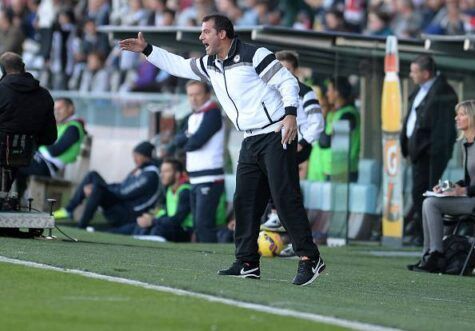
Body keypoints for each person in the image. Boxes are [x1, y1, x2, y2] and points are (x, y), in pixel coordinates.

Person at [120, 13, 324, 286]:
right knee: (244, 201)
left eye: (205, 32)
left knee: (285, 198)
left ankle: (310, 259)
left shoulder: (255, 54)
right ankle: (247, 262)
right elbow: (179, 65)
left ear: (223, 34)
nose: (201, 37)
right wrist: (147, 50)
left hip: (275, 134)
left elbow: (287, 83)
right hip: (250, 140)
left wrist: (290, 114)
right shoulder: (209, 64)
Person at [408, 100, 475, 273]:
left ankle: (436, 255)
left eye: (462, 114)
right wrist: (451, 186)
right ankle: (427, 255)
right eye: (457, 114)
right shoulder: (466, 144)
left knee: (432, 204)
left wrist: (464, 191)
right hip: (470, 197)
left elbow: (470, 186)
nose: (457, 118)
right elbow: (469, 179)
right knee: (429, 200)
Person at [261, 50, 324, 232]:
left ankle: (277, 214)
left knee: (278, 175)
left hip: (298, 143)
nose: (283, 73)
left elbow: (317, 122)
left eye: (287, 69)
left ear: (296, 70)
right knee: (286, 182)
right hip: (280, 143)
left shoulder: (305, 92)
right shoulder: (272, 91)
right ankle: (288, 227)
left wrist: (302, 142)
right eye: (280, 68)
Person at [400, 55, 458, 246]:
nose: (411, 75)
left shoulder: (444, 92)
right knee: (419, 193)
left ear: (425, 73)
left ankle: (426, 236)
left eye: (414, 71)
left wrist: (431, 151)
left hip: (431, 155)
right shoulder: (422, 89)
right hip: (418, 153)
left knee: (425, 193)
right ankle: (421, 233)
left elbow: (442, 130)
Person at [54, 141, 160, 230]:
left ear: (146, 157)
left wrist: (96, 188)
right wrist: (97, 186)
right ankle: (69, 210)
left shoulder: (149, 175)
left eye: (137, 156)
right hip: (122, 206)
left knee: (97, 188)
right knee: (93, 175)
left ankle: (82, 226)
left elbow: (123, 193)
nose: (134, 159)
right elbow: (122, 186)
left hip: (128, 214)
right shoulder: (143, 170)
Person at [174, 80, 226, 243]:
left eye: (197, 94)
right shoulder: (192, 116)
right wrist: (189, 137)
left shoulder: (213, 112)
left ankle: (212, 258)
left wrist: (188, 139)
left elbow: (196, 142)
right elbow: (177, 140)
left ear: (207, 94)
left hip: (210, 178)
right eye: (190, 95)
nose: (193, 98)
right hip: (195, 178)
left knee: (204, 224)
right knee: (198, 224)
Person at [0, 52, 57, 192]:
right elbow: (50, 137)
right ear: (24, 67)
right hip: (23, 155)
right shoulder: (44, 95)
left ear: (2, 70)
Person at [15, 98, 87, 197]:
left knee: (13, 164)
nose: (56, 112)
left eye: (60, 108)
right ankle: (16, 199)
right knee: (11, 161)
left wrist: (40, 146)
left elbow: (55, 151)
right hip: (41, 161)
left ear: (70, 108)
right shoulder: (62, 124)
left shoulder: (74, 127)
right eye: (55, 109)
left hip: (47, 167)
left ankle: (15, 199)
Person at [307, 76, 360, 182]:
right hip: (334, 170)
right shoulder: (336, 113)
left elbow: (325, 141)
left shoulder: (348, 115)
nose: (327, 94)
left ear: (337, 92)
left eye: (329, 90)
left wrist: (321, 119)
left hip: (344, 171)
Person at [133, 158, 193, 242]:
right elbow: (165, 212)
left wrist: (153, 221)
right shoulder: (169, 190)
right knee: (143, 227)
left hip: (186, 230)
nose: (162, 175)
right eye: (161, 171)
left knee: (158, 229)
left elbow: (177, 219)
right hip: (173, 226)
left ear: (177, 174)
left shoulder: (185, 191)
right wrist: (151, 218)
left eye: (166, 171)